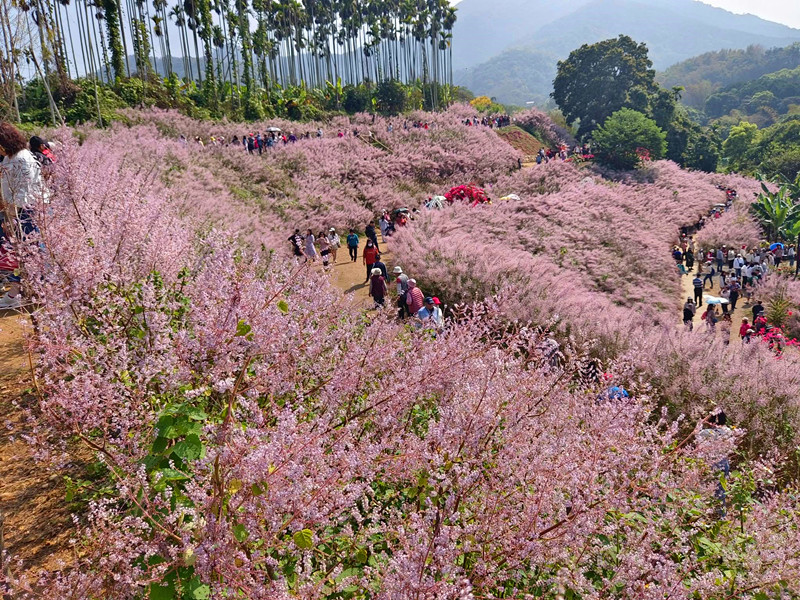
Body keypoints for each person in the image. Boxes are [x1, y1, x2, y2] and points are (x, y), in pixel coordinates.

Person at [0, 122, 49, 309]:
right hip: (17, 211)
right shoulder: (10, 158)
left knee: (30, 251)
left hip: (25, 211)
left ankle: (32, 293)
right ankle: (19, 293)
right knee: (21, 253)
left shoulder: (21, 158)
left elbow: (24, 192)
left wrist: (10, 214)